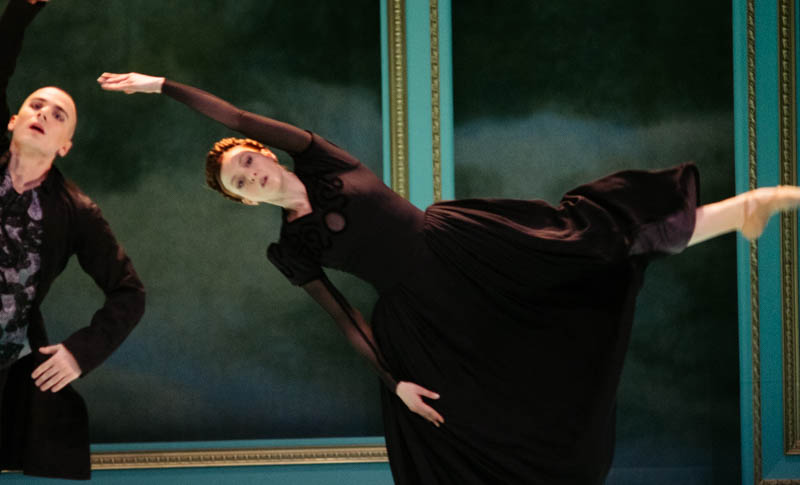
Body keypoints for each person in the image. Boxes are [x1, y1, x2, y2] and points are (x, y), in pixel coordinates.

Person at [98, 70, 796, 484]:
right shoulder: (289, 248)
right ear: (245, 201)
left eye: (248, 161)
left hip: (461, 245)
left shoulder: (321, 158)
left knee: (590, 247)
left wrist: (159, 86)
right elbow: (345, 317)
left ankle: (739, 212)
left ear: (265, 155)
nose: (251, 173)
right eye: (239, 181)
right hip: (424, 319)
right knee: (488, 418)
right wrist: (394, 382)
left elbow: (232, 114)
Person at [0, 0, 145, 480]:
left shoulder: (76, 212)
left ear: (65, 145)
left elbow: (129, 293)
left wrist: (82, 353)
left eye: (58, 115)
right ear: (13, 120)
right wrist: (25, 2)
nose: (43, 113)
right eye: (36, 105)